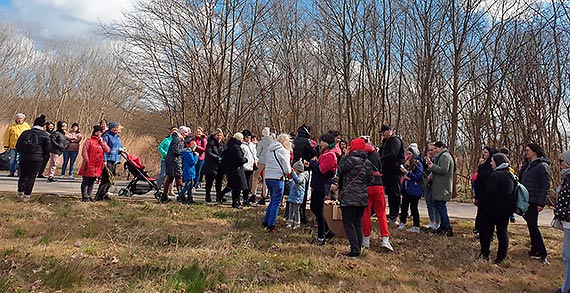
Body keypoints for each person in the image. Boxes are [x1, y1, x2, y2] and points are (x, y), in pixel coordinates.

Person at [337, 138, 374, 257]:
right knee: (358, 223)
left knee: (349, 223)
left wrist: (344, 156)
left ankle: (354, 249)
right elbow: (371, 180)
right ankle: (358, 247)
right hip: (362, 197)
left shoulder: (351, 160)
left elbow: (341, 169)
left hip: (349, 197)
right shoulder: (367, 162)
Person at [477, 153, 515, 264]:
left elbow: (489, 194)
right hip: (505, 210)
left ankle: (485, 254)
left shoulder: (496, 176)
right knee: (502, 233)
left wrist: (482, 201)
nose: (490, 162)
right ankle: (501, 258)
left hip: (492, 210)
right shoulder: (509, 174)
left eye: (492, 161)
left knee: (485, 231)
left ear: (497, 162)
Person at [519, 143, 550, 264]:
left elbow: (545, 185)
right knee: (530, 225)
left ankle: (542, 252)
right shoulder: (528, 165)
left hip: (534, 200)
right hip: (526, 199)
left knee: (533, 225)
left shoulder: (542, 166)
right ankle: (534, 249)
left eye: (528, 150)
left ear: (535, 152)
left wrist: (541, 202)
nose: (526, 152)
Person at [361, 137, 393, 251]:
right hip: (378, 185)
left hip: (366, 186)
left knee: (366, 213)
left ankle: (366, 240)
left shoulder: (360, 155)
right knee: (381, 213)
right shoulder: (376, 154)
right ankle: (385, 239)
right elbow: (381, 169)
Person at [309, 132, 338, 245]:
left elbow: (322, 170)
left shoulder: (330, 155)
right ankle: (328, 231)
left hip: (322, 185)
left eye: (323, 142)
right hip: (317, 185)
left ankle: (321, 237)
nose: (320, 144)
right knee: (314, 207)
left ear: (328, 143)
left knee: (319, 210)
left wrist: (313, 163)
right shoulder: (325, 153)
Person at [15, 115, 50, 201]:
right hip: (37, 159)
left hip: (24, 157)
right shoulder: (44, 135)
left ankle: (20, 192)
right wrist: (43, 158)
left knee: (23, 175)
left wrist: (22, 152)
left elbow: (18, 146)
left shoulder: (25, 133)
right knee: (32, 176)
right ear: (43, 125)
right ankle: (27, 195)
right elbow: (48, 149)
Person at [263, 133, 293, 233]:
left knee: (272, 200)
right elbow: (287, 169)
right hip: (278, 178)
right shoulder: (284, 151)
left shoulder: (270, 150)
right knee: (277, 202)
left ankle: (266, 221)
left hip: (268, 177)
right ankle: (271, 225)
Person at [426, 141, 455, 237]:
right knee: (440, 206)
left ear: (441, 147)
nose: (435, 150)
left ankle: (447, 227)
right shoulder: (442, 156)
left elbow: (443, 169)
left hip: (442, 187)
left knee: (441, 208)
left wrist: (432, 166)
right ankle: (443, 226)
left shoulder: (445, 156)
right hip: (440, 186)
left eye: (436, 148)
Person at [379, 124, 405, 226]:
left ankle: (395, 214)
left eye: (384, 132)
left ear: (389, 131)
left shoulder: (395, 141)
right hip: (387, 172)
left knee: (395, 193)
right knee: (389, 193)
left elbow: (393, 154)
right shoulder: (385, 141)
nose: (383, 134)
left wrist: (382, 157)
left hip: (395, 171)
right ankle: (391, 213)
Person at [293, 124, 318, 224]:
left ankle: (290, 214)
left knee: (293, 191)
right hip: (304, 167)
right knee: (302, 191)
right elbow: (313, 152)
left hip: (294, 166)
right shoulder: (306, 142)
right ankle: (301, 216)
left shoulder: (294, 140)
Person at [78, 126, 110, 202]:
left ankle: (89, 195)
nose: (99, 133)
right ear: (95, 132)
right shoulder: (89, 140)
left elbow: (107, 150)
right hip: (89, 163)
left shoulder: (101, 141)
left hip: (97, 164)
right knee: (86, 180)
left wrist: (102, 142)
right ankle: (84, 195)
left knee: (92, 180)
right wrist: (87, 160)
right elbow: (84, 151)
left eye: (100, 132)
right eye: (98, 132)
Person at [94, 122, 124, 201]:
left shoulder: (117, 137)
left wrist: (122, 149)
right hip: (108, 159)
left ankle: (104, 193)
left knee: (111, 179)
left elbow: (119, 146)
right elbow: (103, 149)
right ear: (113, 128)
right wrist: (104, 160)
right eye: (117, 128)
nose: (118, 129)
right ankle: (99, 195)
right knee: (106, 178)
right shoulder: (106, 136)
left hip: (114, 160)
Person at [161, 126, 190, 203]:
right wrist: (186, 150)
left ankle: (165, 196)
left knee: (171, 179)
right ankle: (181, 196)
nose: (186, 134)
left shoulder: (178, 139)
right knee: (178, 178)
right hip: (174, 162)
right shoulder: (177, 139)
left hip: (174, 161)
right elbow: (176, 151)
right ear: (182, 132)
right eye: (186, 132)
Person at [398, 146, 424, 233]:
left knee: (414, 208)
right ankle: (402, 222)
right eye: (407, 154)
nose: (408, 155)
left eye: (410, 154)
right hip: (406, 189)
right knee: (404, 206)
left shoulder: (418, 164)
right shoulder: (407, 163)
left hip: (414, 190)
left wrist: (407, 173)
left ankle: (416, 226)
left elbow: (418, 177)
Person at [473, 146, 498, 236]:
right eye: (483, 152)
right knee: (480, 212)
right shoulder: (483, 164)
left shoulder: (492, 166)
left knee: (488, 215)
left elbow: (485, 176)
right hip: (481, 192)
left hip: (489, 193)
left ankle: (488, 233)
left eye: (486, 152)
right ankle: (478, 229)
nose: (484, 154)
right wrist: (476, 195)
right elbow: (478, 180)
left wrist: (481, 166)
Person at [555, 150, 570, 292]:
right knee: (566, 256)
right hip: (566, 223)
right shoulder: (566, 178)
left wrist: (560, 212)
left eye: (562, 161)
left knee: (568, 256)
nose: (560, 164)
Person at [223, 132, 248, 208]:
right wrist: (245, 160)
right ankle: (235, 202)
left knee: (234, 186)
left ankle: (235, 201)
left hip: (231, 169)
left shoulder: (230, 145)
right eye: (242, 139)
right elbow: (240, 159)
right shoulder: (236, 147)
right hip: (237, 169)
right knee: (238, 186)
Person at [202, 128, 226, 203]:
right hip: (211, 166)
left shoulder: (223, 144)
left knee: (219, 183)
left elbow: (224, 152)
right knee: (209, 183)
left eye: (220, 135)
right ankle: (207, 196)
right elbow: (208, 153)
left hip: (220, 166)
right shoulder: (210, 143)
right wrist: (217, 157)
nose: (219, 137)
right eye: (217, 135)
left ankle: (218, 196)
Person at [287, 159, 309, 229]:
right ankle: (290, 221)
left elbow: (298, 181)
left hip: (298, 196)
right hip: (292, 195)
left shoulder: (302, 176)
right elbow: (292, 184)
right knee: (291, 209)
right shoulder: (295, 176)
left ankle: (297, 222)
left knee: (296, 210)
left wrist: (293, 174)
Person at [252, 127, 272, 204]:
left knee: (255, 178)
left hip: (261, 161)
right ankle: (264, 195)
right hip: (269, 162)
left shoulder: (261, 142)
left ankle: (253, 194)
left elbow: (257, 153)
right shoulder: (273, 142)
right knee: (265, 179)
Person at [422, 143, 440, 229]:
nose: (431, 152)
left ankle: (437, 222)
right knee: (428, 202)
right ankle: (431, 221)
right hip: (426, 182)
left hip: (435, 183)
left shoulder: (438, 159)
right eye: (429, 150)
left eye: (432, 150)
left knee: (435, 203)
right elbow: (423, 169)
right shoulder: (425, 159)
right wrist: (426, 160)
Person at [240, 129, 258, 206]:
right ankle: (244, 199)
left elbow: (254, 154)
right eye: (247, 137)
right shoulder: (241, 146)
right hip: (244, 167)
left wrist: (255, 160)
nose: (249, 139)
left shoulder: (252, 145)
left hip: (251, 167)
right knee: (244, 185)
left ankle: (246, 199)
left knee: (249, 185)